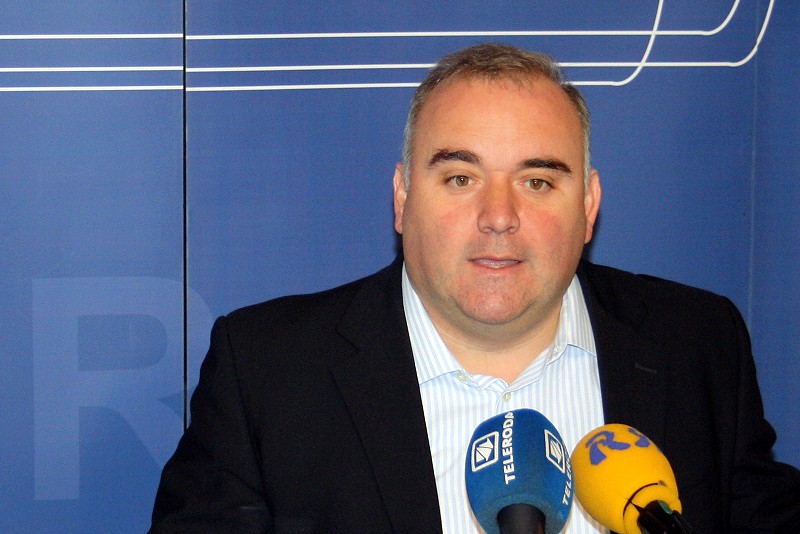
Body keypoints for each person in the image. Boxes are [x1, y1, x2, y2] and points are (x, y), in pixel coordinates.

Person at [150, 43, 800, 533]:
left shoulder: (697, 346)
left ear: (588, 207)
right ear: (403, 197)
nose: (498, 216)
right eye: (461, 178)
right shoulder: (268, 373)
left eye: (538, 181)